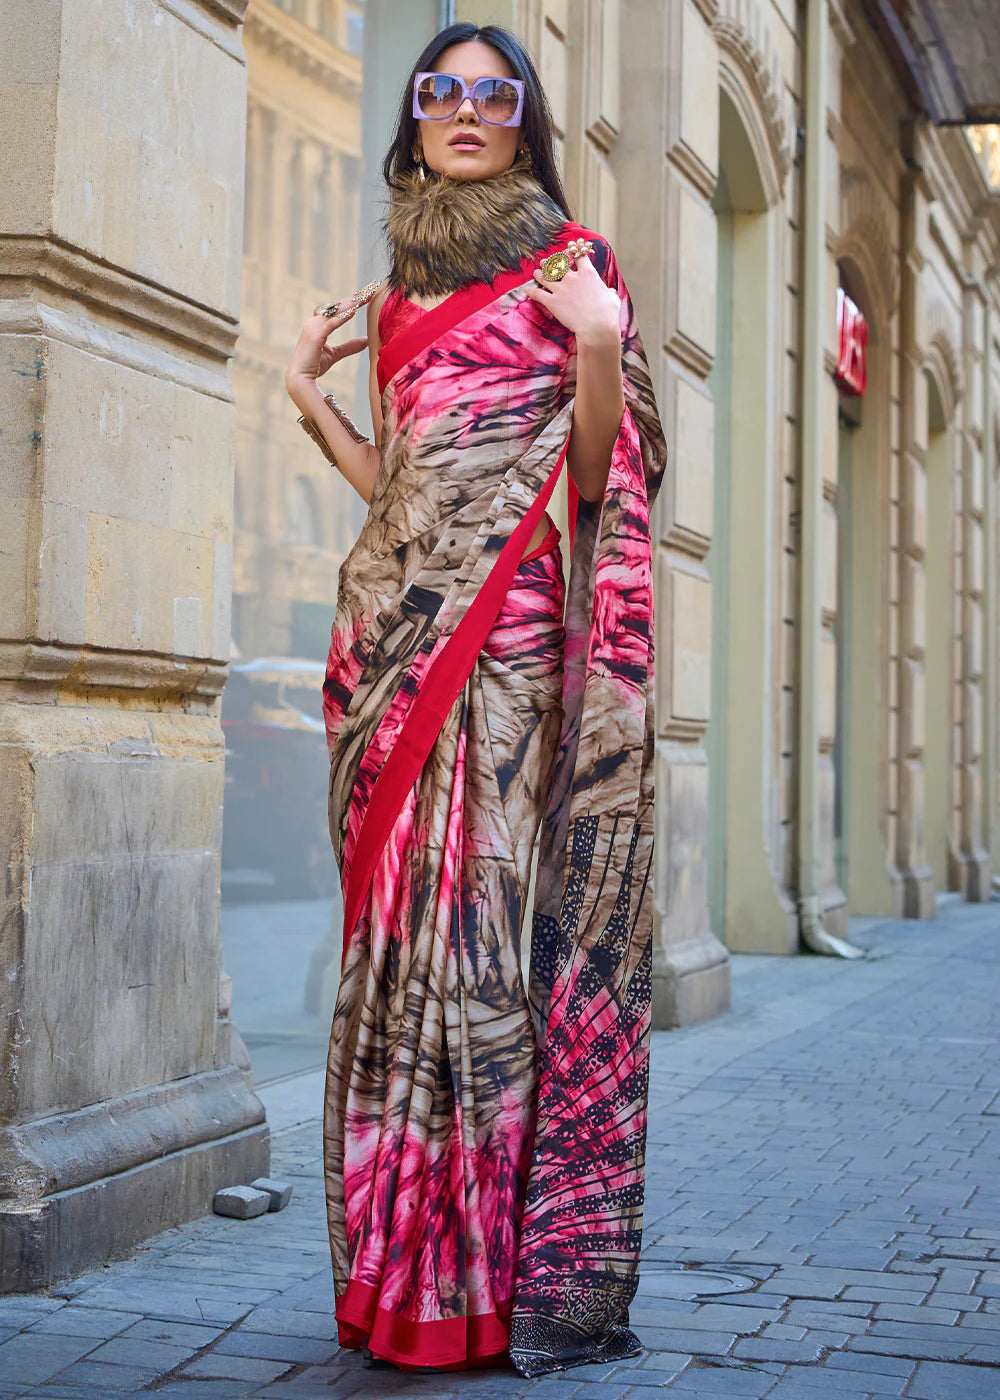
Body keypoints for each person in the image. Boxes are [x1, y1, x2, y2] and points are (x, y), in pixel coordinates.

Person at [284, 22, 666, 1379]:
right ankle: (399, 1283)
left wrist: (606, 345)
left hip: (506, 678)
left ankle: (490, 1286)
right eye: (436, 90)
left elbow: (594, 485)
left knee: (486, 965)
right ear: (414, 116)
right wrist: (305, 406)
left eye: (489, 92)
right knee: (396, 964)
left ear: (522, 118)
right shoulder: (393, 302)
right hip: (391, 666)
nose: (462, 109)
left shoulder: (572, 271)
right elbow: (405, 498)